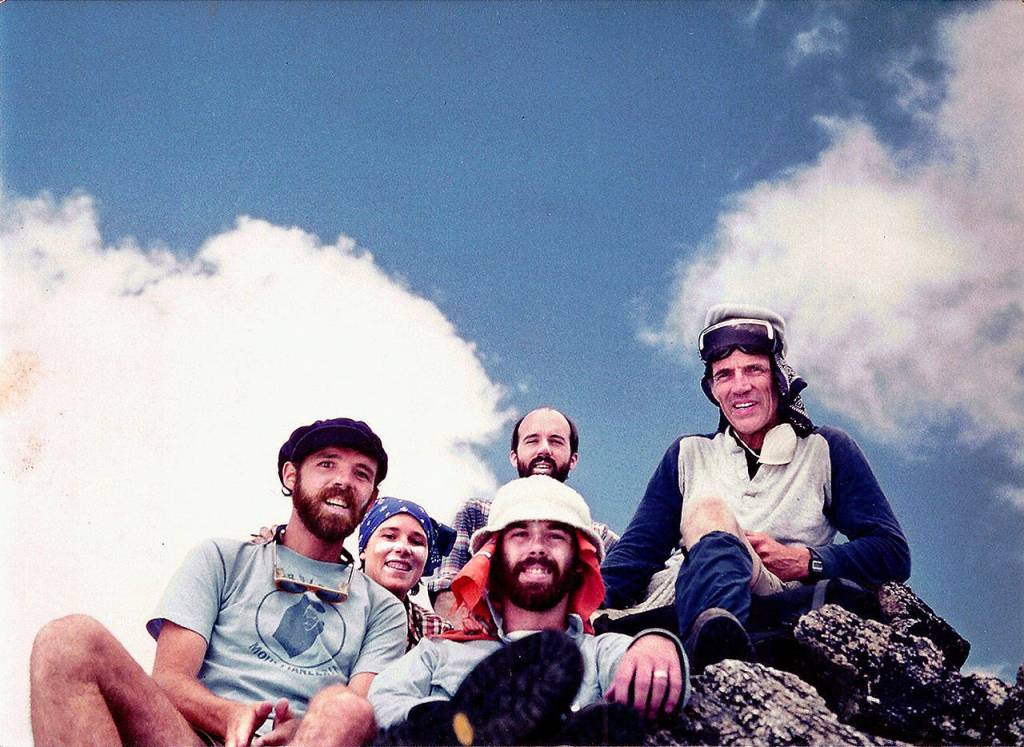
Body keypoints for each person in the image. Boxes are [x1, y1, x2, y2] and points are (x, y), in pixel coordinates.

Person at [30, 417, 406, 747]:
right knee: (67, 640)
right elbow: (171, 679)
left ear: (371, 500)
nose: (344, 481)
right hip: (192, 737)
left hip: (309, 741)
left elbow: (362, 712)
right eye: (327, 464)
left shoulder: (383, 608)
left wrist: (302, 731)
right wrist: (229, 716)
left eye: (361, 474)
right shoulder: (222, 558)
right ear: (291, 476)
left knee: (345, 708)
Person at [600, 304, 911, 671]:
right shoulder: (687, 454)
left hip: (774, 596)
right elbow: (636, 554)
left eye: (754, 370)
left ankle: (717, 657)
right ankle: (714, 639)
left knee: (708, 515)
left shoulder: (825, 449)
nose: (740, 386)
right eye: (724, 375)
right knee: (702, 521)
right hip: (678, 599)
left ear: (778, 378)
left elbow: (891, 552)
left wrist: (806, 561)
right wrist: (576, 605)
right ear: (713, 389)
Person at [364, 475, 689, 745]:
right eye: (520, 535)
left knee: (612, 724)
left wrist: (659, 645)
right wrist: (443, 721)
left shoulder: (602, 651)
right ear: (493, 560)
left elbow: (670, 688)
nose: (536, 547)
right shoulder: (437, 653)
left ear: (579, 563)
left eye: (555, 536)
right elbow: (382, 703)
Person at [429, 406, 618, 620]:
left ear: (573, 459)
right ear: (513, 456)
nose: (544, 449)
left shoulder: (597, 536)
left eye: (556, 441)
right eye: (532, 441)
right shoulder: (476, 515)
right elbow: (446, 590)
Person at [357, 497, 457, 649]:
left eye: (416, 542)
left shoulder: (438, 633)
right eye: (390, 537)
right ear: (364, 548)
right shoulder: (328, 606)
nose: (403, 548)